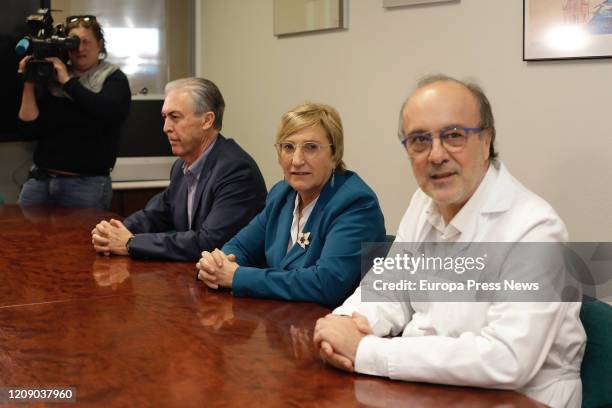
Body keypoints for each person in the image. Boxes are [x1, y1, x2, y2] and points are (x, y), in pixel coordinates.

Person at [313, 75, 586, 408]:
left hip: (518, 399)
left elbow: (507, 359)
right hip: (428, 387)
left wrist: (366, 351)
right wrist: (345, 323)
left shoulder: (535, 229)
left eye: (454, 136)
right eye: (419, 140)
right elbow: (388, 289)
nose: (436, 155)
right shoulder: (423, 202)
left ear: (487, 140)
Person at [195, 102, 386, 309]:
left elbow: (327, 284)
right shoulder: (282, 194)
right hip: (282, 322)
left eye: (311, 147)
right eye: (288, 147)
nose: (296, 160)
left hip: (333, 327)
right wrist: (217, 264)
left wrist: (237, 277)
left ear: (335, 155)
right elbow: (240, 247)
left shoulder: (355, 203)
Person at [91, 77, 267, 261]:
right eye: (164, 117)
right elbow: (157, 215)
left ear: (207, 120)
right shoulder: (181, 166)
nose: (166, 128)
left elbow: (209, 243)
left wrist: (130, 243)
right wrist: (115, 230)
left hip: (229, 282)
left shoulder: (236, 170)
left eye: (175, 117)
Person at [17, 14, 131, 210]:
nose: (80, 48)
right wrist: (28, 81)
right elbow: (29, 125)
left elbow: (107, 112)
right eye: (73, 43)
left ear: (100, 44)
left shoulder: (114, 79)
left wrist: (68, 82)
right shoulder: (51, 75)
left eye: (86, 42)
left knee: (80, 240)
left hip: (86, 185)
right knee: (21, 237)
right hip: (40, 180)